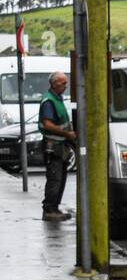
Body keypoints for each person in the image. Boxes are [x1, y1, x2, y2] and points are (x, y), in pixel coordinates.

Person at [38, 71, 76, 221]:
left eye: (66, 82)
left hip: (61, 145)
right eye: (63, 83)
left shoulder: (56, 99)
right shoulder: (49, 101)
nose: (66, 86)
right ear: (54, 84)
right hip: (53, 146)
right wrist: (67, 134)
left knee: (60, 178)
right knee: (55, 179)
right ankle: (49, 210)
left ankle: (54, 208)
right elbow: (47, 124)